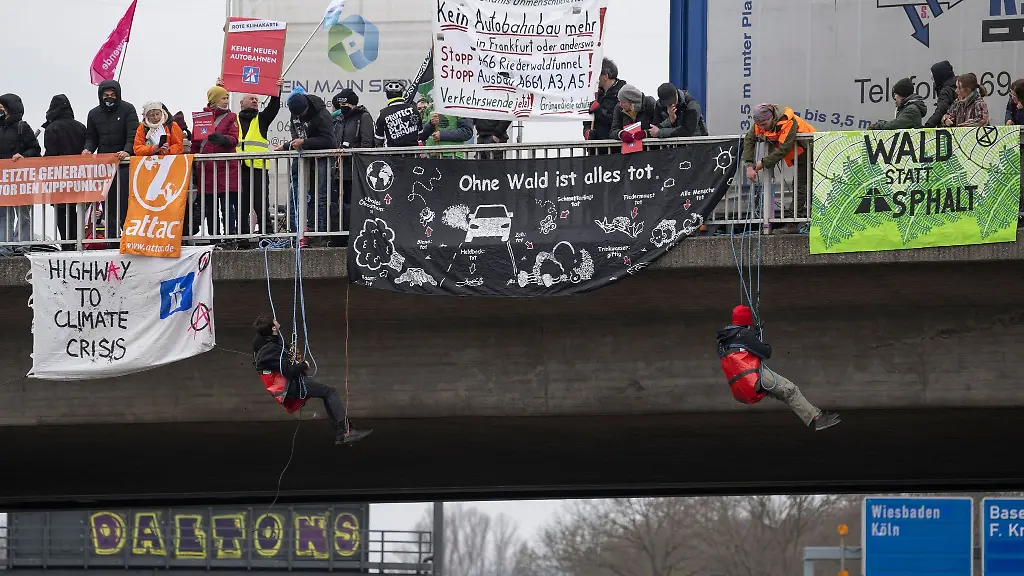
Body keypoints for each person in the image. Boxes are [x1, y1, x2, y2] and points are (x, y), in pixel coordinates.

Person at [252, 314, 372, 445]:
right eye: (274, 320)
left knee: (327, 393)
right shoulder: (269, 349)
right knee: (330, 392)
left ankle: (342, 433)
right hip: (290, 385)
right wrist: (304, 365)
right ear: (273, 328)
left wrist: (290, 354)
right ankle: (345, 432)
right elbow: (289, 371)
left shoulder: (268, 341)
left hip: (291, 383)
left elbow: (280, 359)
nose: (276, 319)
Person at [717, 305, 841, 431]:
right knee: (790, 390)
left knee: (786, 394)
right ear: (747, 320)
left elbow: (741, 349)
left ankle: (816, 415)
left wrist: (754, 335)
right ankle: (817, 419)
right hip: (752, 378)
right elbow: (766, 352)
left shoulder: (724, 339)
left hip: (740, 387)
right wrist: (757, 337)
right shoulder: (744, 335)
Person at [222, 76, 283, 242]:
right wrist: (220, 87)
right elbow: (219, 110)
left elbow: (274, 107)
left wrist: (277, 91)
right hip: (238, 168)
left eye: (256, 99)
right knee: (241, 206)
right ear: (241, 103)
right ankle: (242, 240)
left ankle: (266, 238)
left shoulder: (261, 119)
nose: (255, 101)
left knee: (261, 204)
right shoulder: (232, 119)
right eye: (251, 99)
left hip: (258, 168)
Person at [742, 103, 817, 235]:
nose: (761, 127)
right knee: (799, 185)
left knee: (800, 185)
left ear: (771, 117)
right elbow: (749, 139)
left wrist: (762, 163)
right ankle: (774, 222)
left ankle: (794, 223)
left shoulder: (788, 121)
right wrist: (748, 165)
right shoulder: (760, 122)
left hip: (808, 149)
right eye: (759, 125)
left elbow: (783, 149)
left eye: (764, 124)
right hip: (796, 151)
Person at [277, 89, 337, 245]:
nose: (299, 117)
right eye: (296, 115)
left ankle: (322, 235)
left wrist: (304, 142)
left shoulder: (322, 114)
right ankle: (297, 234)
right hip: (303, 156)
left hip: (323, 157)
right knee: (298, 195)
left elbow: (329, 141)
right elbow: (295, 135)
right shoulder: (294, 114)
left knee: (321, 196)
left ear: (307, 107)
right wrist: (288, 145)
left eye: (302, 114)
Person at [82, 79, 139, 239]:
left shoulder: (128, 109)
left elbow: (133, 134)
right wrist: (87, 149)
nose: (109, 98)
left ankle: (129, 237)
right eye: (106, 95)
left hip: (124, 164)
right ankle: (112, 238)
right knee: (108, 204)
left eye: (112, 94)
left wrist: (127, 151)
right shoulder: (93, 114)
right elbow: (91, 137)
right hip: (105, 166)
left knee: (125, 203)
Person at [190, 86, 240, 240]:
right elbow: (195, 144)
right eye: (223, 98)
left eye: (227, 98)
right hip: (207, 170)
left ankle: (230, 237)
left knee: (227, 207)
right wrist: (193, 162)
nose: (226, 101)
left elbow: (234, 139)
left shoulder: (231, 117)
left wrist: (223, 139)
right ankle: (214, 238)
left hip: (225, 169)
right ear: (214, 100)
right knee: (210, 208)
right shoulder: (201, 119)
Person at [41, 94, 86, 250]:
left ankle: (66, 244)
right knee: (76, 211)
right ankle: (77, 242)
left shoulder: (52, 128)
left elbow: (51, 154)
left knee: (61, 212)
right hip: (79, 176)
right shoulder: (81, 127)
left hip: (59, 178)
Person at [0, 93, 41, 254]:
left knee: (23, 213)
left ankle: (22, 245)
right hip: (3, 179)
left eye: (2, 108)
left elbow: (35, 149)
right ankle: (4, 246)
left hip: (20, 178)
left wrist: (23, 156)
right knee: (4, 215)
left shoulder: (22, 127)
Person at [332, 89, 374, 237]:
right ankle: (342, 234)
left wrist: (350, 151)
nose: (342, 107)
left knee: (356, 203)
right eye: (340, 105)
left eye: (345, 104)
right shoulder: (339, 118)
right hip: (340, 171)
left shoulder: (364, 117)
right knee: (341, 204)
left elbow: (367, 144)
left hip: (357, 169)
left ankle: (358, 233)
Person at [583, 58, 627, 154]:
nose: (594, 78)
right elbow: (588, 115)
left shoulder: (623, 93)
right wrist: (587, 131)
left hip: (615, 149)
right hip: (596, 149)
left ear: (605, 76)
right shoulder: (595, 94)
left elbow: (617, 120)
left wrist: (599, 110)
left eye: (596, 75)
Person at [417, 93, 474, 158]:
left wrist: (442, 135)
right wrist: (430, 124)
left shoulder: (460, 107)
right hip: (430, 155)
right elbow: (421, 134)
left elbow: (467, 132)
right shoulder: (430, 108)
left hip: (452, 156)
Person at [374, 81, 423, 148]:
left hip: (392, 153)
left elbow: (378, 140)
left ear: (387, 95)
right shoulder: (414, 109)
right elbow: (420, 134)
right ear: (401, 93)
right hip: (413, 153)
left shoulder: (383, 113)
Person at [924, 60, 957, 129]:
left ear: (939, 76)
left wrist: (929, 125)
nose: (934, 81)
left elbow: (941, 109)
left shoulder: (946, 90)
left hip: (949, 127)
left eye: (934, 78)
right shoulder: (956, 85)